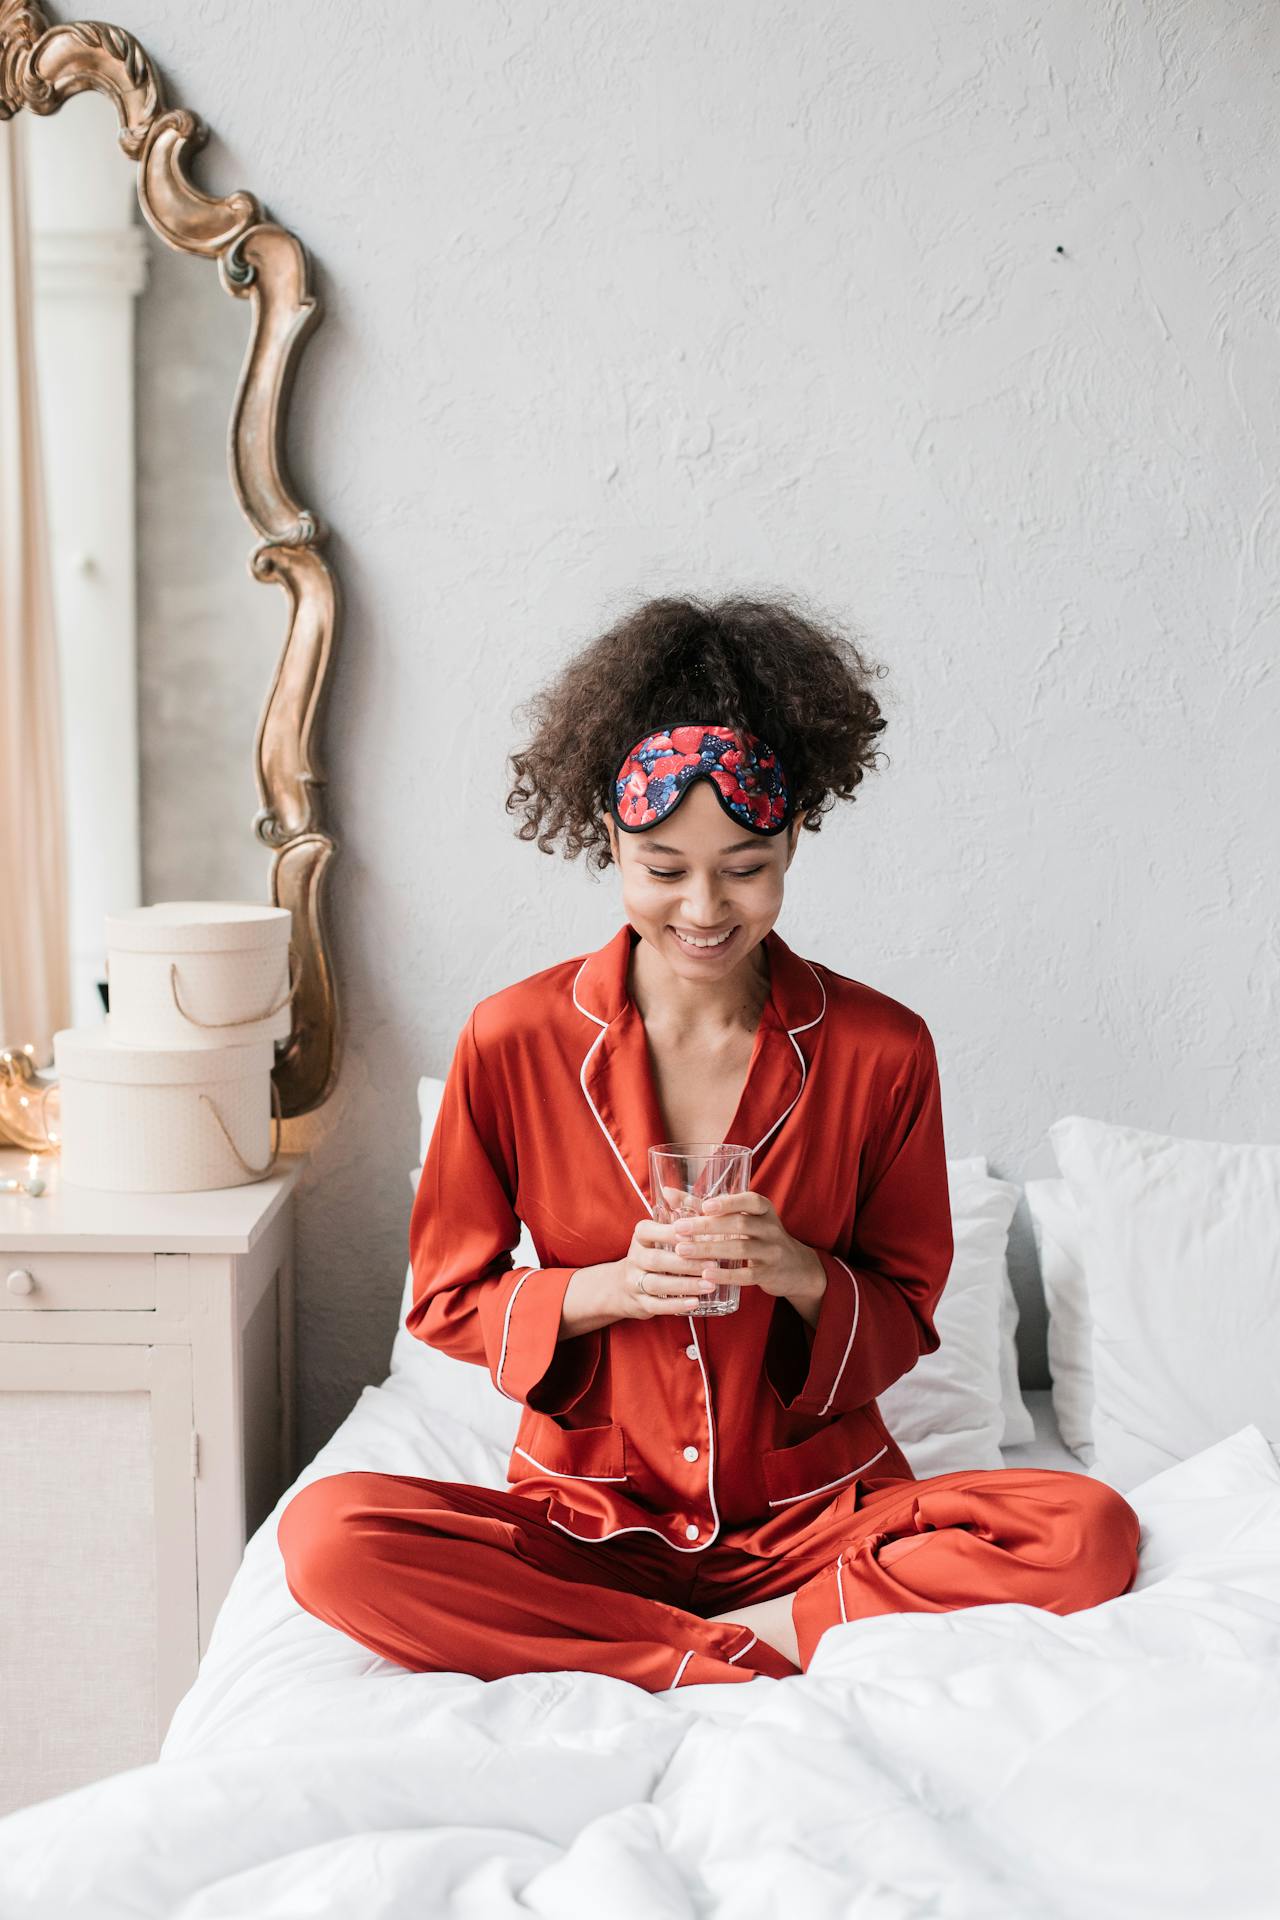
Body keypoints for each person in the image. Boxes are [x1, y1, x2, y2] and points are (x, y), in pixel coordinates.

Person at [277, 593, 1140, 1691]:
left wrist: (796, 1273)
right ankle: (740, 1653)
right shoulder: (512, 1039)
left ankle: (705, 1643)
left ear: (789, 840)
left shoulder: (879, 1050)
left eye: (743, 866)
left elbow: (908, 1310)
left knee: (1087, 1526)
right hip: (587, 1523)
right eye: (661, 867)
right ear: (608, 842)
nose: (702, 908)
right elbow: (448, 1297)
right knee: (332, 1537)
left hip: (815, 1520)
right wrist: (603, 1290)